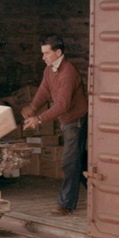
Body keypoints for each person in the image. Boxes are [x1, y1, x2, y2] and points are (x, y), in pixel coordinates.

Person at [22, 35, 88, 216]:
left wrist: (39, 119)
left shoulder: (68, 73)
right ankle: (97, 193)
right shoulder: (50, 69)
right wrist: (34, 107)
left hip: (76, 121)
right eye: (42, 54)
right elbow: (44, 90)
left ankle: (66, 203)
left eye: (47, 53)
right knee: (79, 160)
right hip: (67, 120)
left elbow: (62, 105)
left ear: (58, 52)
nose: (43, 57)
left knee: (69, 161)